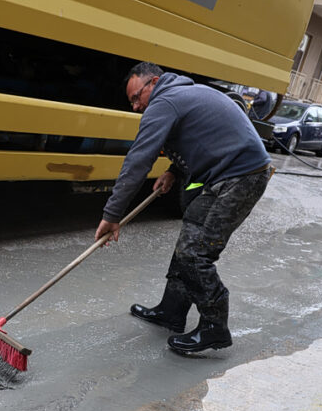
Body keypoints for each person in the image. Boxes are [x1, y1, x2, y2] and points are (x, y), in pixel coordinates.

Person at [94, 62, 272, 353]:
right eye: (132, 102)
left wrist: (112, 216)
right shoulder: (181, 95)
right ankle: (172, 311)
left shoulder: (165, 102)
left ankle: (215, 327)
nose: (136, 107)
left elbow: (138, 161)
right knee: (189, 239)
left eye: (136, 98)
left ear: (153, 82)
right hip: (228, 174)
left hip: (241, 177)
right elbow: (204, 135)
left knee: (197, 252)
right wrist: (175, 170)